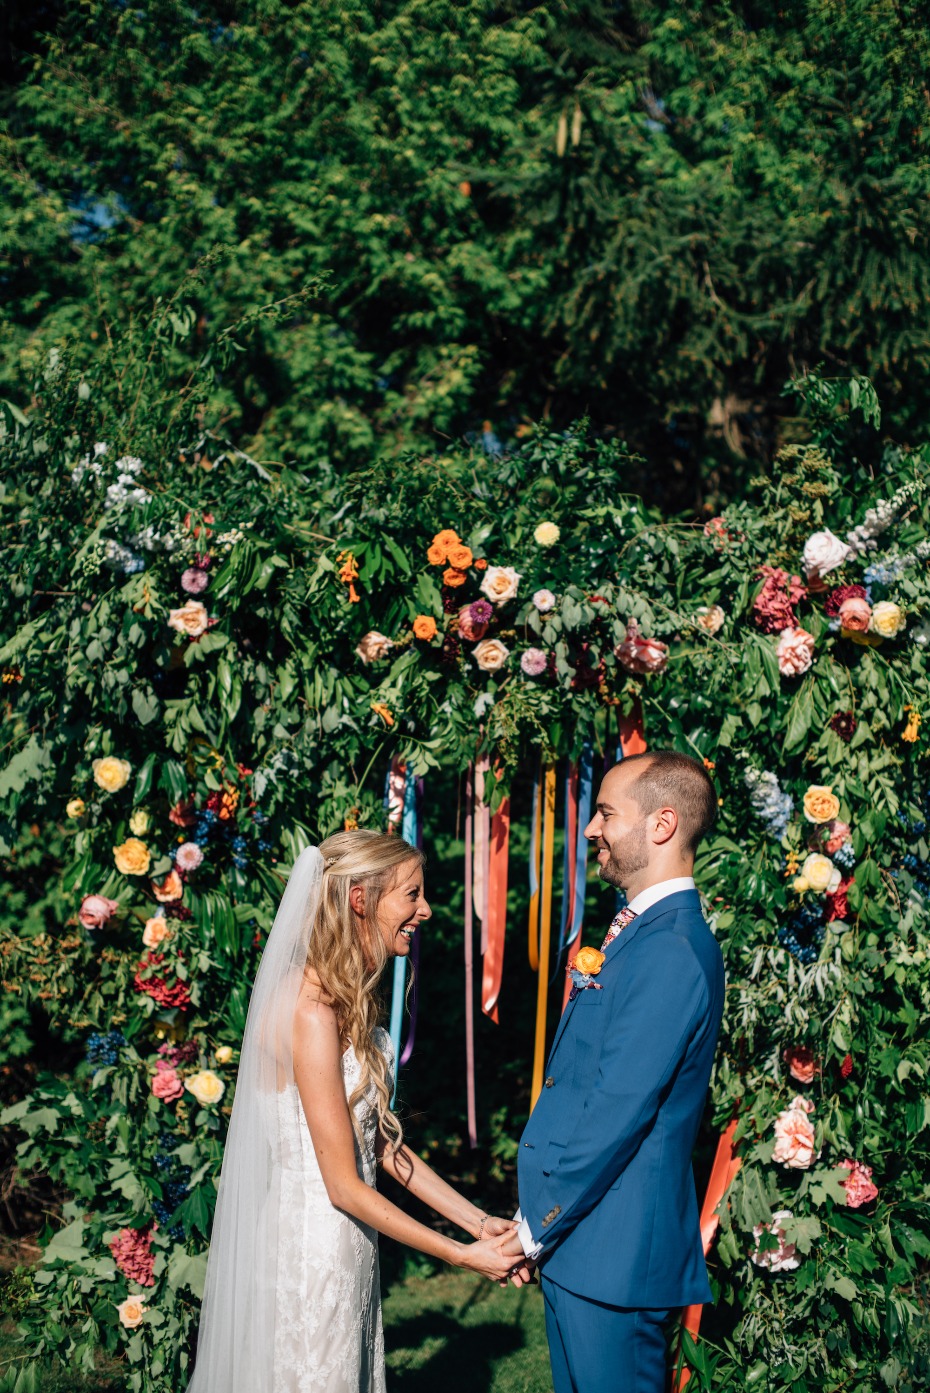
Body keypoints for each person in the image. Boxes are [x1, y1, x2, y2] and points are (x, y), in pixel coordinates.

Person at [187, 829, 514, 1393]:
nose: (426, 910)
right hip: (312, 1249)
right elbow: (342, 1183)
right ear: (360, 900)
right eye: (411, 895)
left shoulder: (342, 999)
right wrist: (465, 1257)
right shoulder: (311, 1013)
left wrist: (477, 1221)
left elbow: (379, 1144)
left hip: (344, 1241)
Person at [501, 750, 726, 1393]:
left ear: (660, 825)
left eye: (605, 813)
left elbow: (616, 1110)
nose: (592, 829)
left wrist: (533, 1227)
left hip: (618, 1259)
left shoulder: (673, 950)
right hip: (587, 1247)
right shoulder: (641, 934)